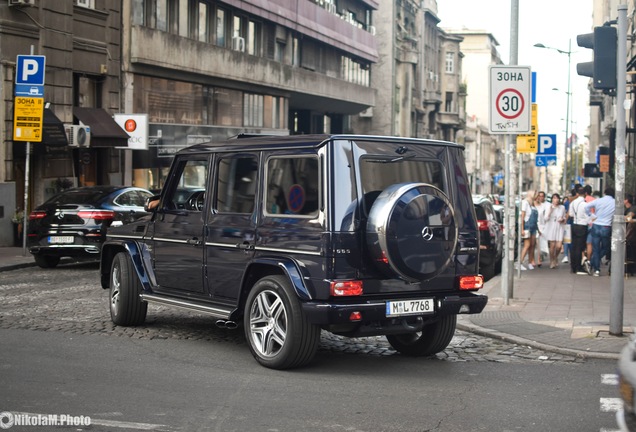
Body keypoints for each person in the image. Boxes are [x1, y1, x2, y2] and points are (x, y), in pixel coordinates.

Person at [584, 187, 616, 276]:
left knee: (596, 248)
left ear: (605, 192)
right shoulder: (615, 202)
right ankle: (593, 262)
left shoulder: (598, 200)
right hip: (606, 226)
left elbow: (586, 206)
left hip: (596, 225)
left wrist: (592, 215)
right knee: (606, 248)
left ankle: (596, 269)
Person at [543, 193, 567, 269]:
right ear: (552, 199)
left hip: (559, 227)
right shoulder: (549, 207)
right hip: (551, 226)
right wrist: (550, 211)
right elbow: (545, 218)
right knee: (552, 246)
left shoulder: (562, 207)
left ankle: (555, 257)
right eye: (554, 198)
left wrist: (562, 219)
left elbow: (564, 217)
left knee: (559, 246)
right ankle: (551, 261)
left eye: (557, 198)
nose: (555, 200)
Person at [569, 186, 589, 275]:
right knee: (579, 247)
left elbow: (570, 214)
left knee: (574, 247)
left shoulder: (573, 203)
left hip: (574, 225)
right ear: (585, 194)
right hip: (582, 226)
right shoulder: (585, 204)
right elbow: (588, 216)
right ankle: (578, 267)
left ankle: (573, 267)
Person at [518, 190, 538, 270]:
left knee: (532, 245)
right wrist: (522, 228)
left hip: (533, 227)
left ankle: (530, 262)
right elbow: (522, 216)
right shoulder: (525, 203)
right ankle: (520, 262)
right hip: (527, 226)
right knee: (527, 245)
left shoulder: (531, 203)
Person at [535, 191, 550, 267]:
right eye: (539, 196)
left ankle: (540, 257)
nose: (540, 198)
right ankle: (537, 259)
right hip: (535, 226)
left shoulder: (546, 205)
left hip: (543, 226)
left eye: (542, 196)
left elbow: (546, 217)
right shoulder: (534, 205)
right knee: (535, 244)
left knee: (541, 243)